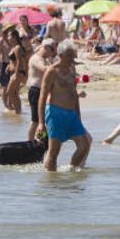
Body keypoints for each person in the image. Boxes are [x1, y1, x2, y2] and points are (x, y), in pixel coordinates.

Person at [37, 40, 92, 171]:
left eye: (74, 55)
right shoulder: (52, 71)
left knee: (84, 145)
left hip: (71, 114)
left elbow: (73, 93)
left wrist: (78, 116)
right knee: (54, 152)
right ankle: (51, 179)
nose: (73, 58)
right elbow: (42, 97)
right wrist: (41, 123)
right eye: (70, 56)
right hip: (56, 113)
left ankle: (70, 170)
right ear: (60, 55)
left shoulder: (72, 68)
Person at [27, 38, 58, 141]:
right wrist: (59, 66)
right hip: (35, 90)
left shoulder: (46, 60)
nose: (53, 53)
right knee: (35, 120)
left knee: (43, 119)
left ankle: (40, 140)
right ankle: (29, 142)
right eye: (52, 50)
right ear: (45, 47)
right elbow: (45, 70)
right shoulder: (36, 58)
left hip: (43, 91)